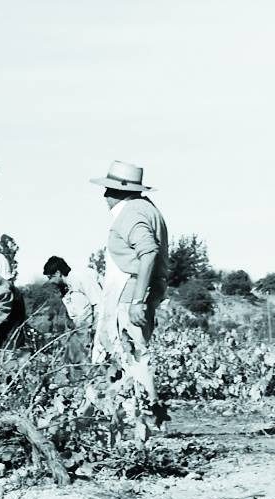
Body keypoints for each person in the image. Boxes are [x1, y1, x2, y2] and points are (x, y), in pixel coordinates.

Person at [91, 160, 170, 440]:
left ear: (118, 191)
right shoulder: (147, 208)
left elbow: (148, 252)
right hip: (136, 292)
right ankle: (139, 421)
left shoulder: (132, 213)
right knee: (132, 358)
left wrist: (138, 301)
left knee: (135, 358)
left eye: (109, 190)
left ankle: (146, 425)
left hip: (130, 294)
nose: (104, 196)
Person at [43, 256, 107, 363]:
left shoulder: (81, 277)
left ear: (58, 273)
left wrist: (95, 331)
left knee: (99, 358)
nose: (50, 282)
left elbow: (99, 305)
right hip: (85, 329)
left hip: (102, 324)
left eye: (51, 277)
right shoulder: (67, 288)